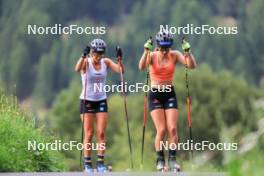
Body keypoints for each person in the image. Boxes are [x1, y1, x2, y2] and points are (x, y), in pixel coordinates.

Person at [138, 31, 197, 171]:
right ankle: (160, 161)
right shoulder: (152, 55)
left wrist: (188, 52)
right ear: (157, 46)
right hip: (155, 94)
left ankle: (172, 161)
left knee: (172, 128)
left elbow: (191, 66)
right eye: (162, 49)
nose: (164, 52)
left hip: (169, 94)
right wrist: (145, 51)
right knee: (162, 129)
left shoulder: (175, 54)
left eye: (167, 48)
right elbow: (141, 67)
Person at [75, 38, 124, 173]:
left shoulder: (105, 62)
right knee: (89, 133)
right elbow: (77, 68)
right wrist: (82, 56)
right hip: (87, 101)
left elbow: (120, 71)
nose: (98, 57)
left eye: (100, 54)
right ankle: (87, 163)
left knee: (101, 133)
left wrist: (119, 58)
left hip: (101, 100)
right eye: (95, 54)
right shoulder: (86, 62)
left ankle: (101, 163)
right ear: (91, 52)